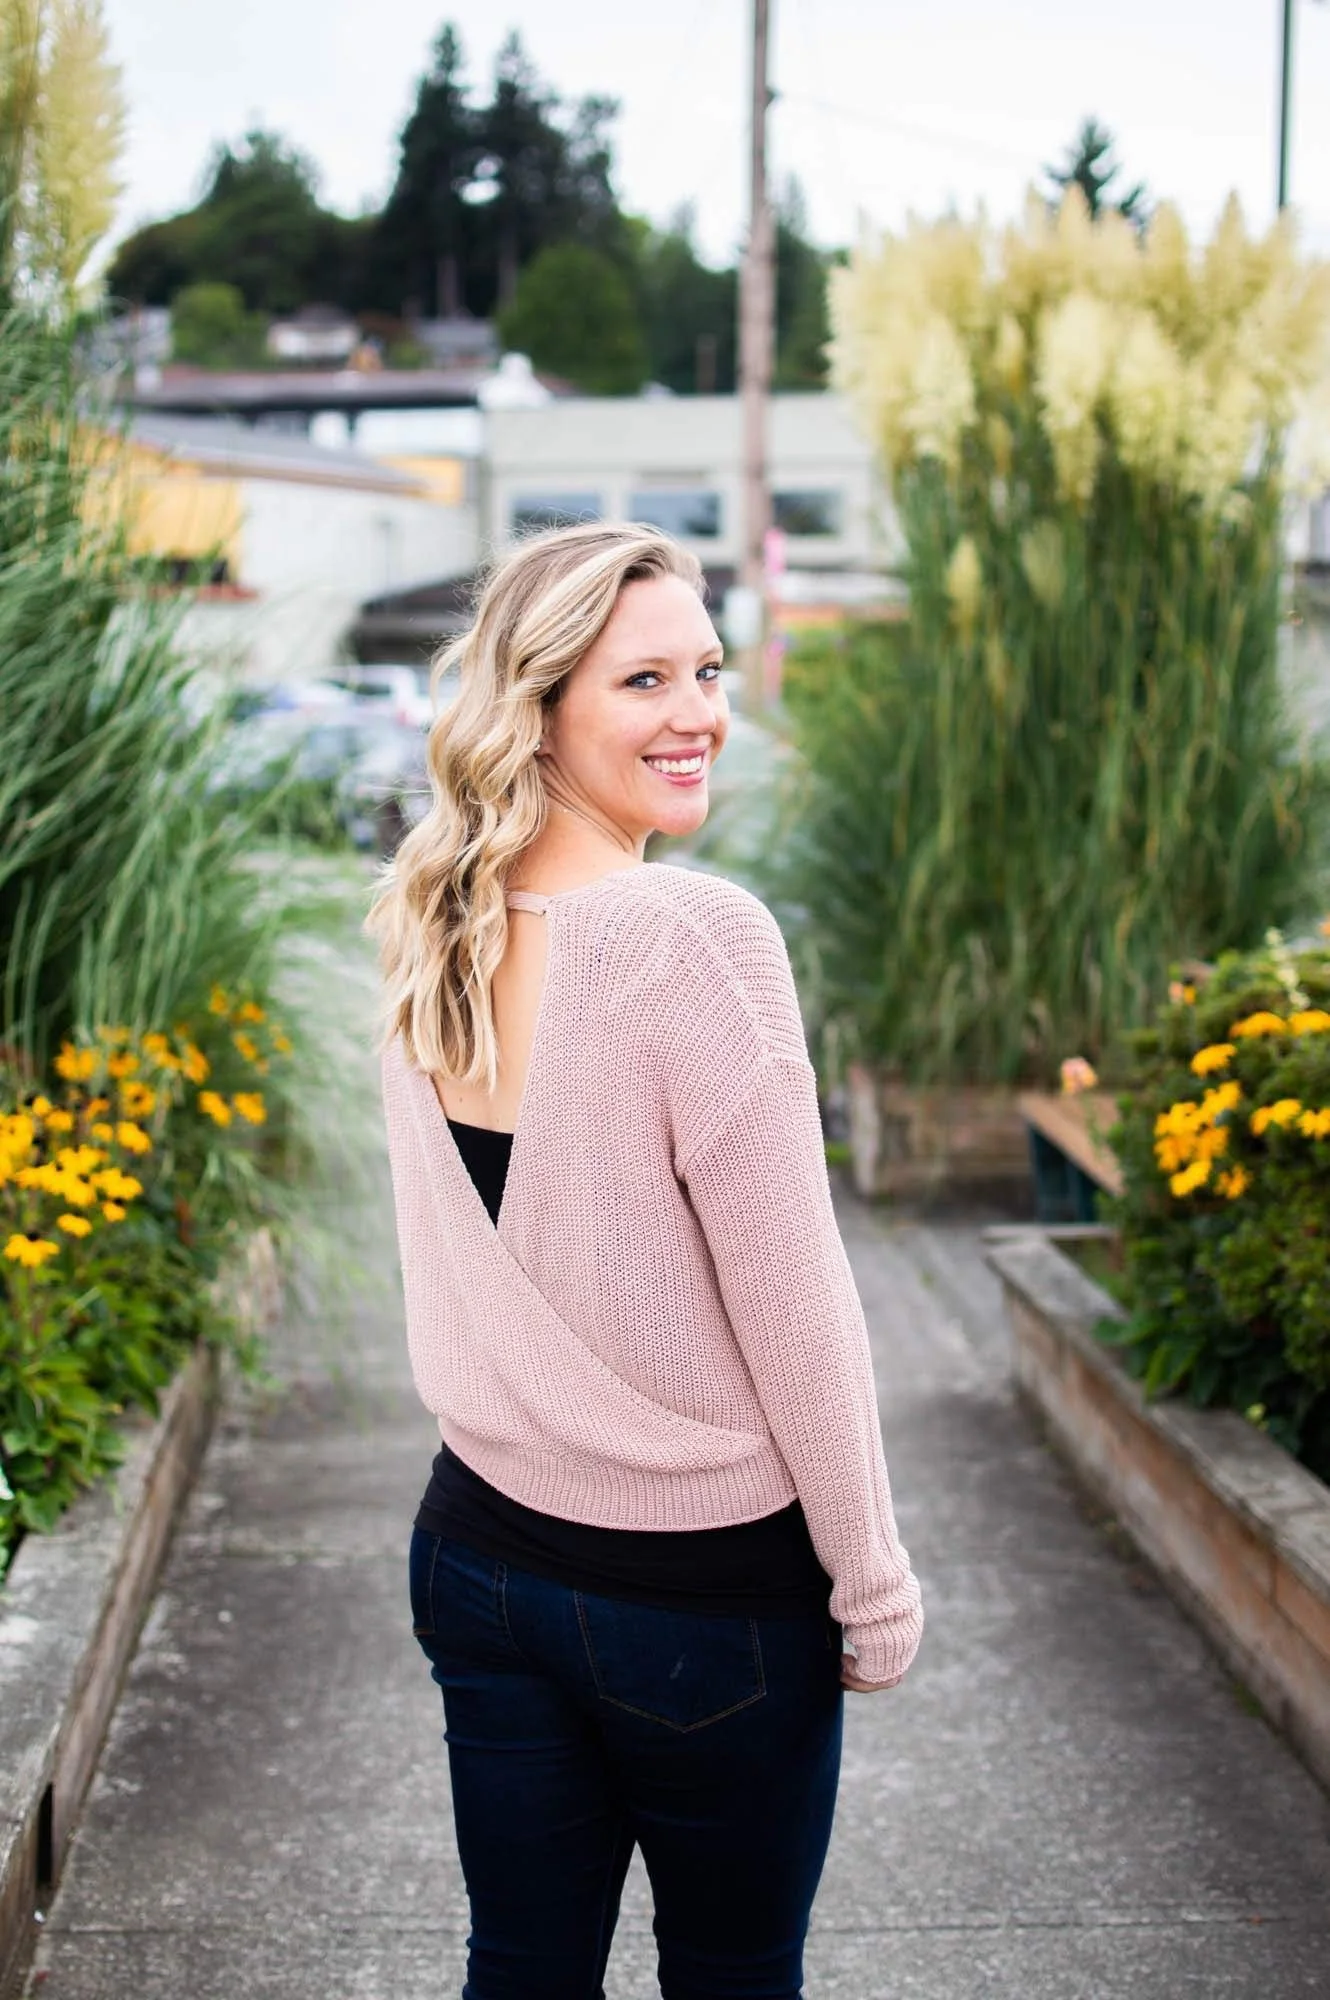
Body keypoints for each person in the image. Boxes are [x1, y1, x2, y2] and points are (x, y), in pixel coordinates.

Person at [368, 522, 923, 2000]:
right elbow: (799, 1305)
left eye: (709, 669)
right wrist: (869, 1585)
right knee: (733, 1977)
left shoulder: (436, 920)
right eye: (642, 681)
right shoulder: (688, 935)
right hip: (700, 1608)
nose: (699, 715)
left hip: (476, 1557)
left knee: (523, 1970)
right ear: (539, 707)